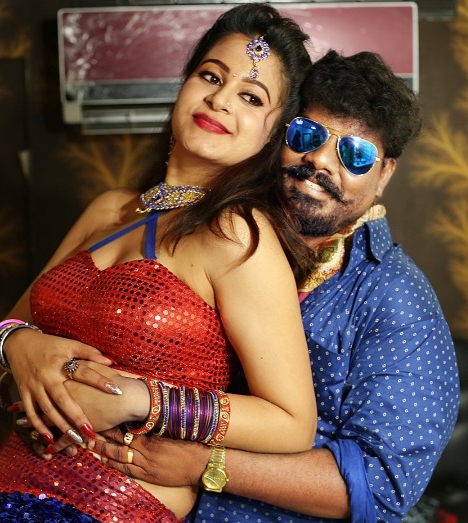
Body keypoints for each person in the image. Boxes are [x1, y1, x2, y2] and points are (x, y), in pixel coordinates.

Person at [91, 50, 461, 522]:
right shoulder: (219, 235)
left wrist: (207, 465)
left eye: (355, 154)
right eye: (307, 135)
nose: (319, 160)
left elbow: (380, 486)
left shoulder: (395, 298)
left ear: (384, 173)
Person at [0, 4, 318, 522]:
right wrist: (21, 347)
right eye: (211, 76)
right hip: (2, 483)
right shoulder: (109, 209)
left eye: (251, 97)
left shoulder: (237, 234)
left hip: (114, 508)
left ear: (272, 134)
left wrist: (138, 399)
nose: (220, 99)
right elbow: (4, 331)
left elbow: (292, 422)